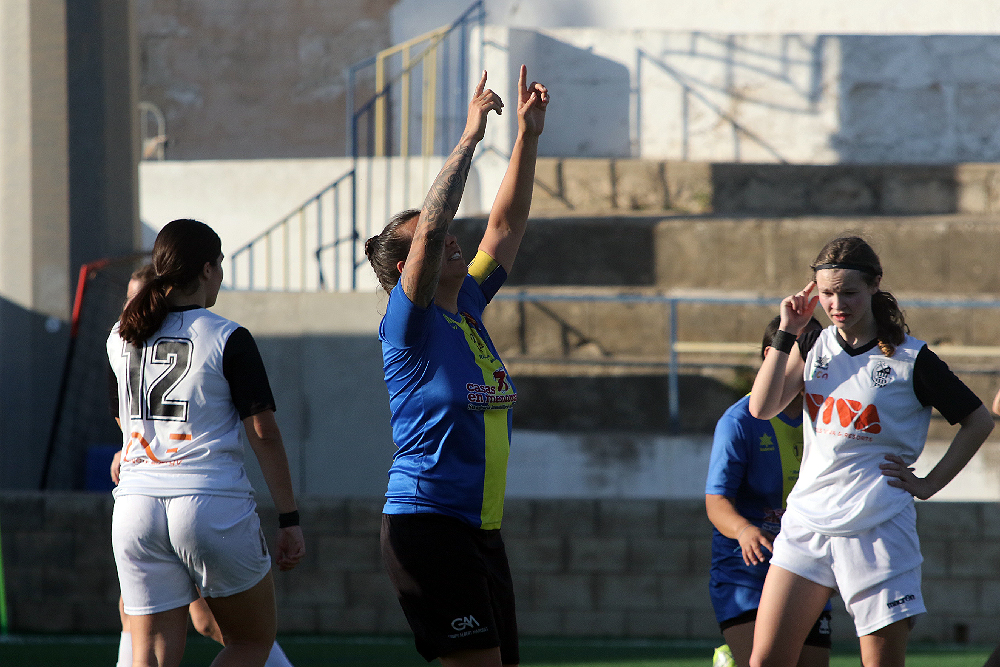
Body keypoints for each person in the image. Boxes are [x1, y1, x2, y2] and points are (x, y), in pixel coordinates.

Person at [364, 65, 547, 667]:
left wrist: (526, 135)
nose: (449, 241)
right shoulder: (407, 323)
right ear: (408, 267)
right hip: (427, 524)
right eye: (432, 242)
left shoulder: (465, 303)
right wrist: (469, 138)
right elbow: (434, 225)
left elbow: (506, 225)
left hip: (479, 531)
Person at [746, 236, 993, 667]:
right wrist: (788, 331)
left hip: (877, 528)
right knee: (765, 661)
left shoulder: (910, 359)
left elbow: (979, 420)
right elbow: (762, 407)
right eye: (826, 293)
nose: (836, 303)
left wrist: (929, 484)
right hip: (807, 523)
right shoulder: (812, 344)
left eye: (848, 292)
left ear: (875, 285)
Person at [107, 219, 305, 667]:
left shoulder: (121, 336)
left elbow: (123, 414)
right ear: (208, 269)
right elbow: (263, 433)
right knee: (250, 642)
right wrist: (289, 517)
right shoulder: (227, 336)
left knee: (151, 655)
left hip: (135, 506)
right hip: (209, 504)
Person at [706, 316, 831, 667]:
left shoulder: (828, 417)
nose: (818, 361)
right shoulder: (740, 421)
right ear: (771, 356)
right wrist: (744, 530)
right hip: (747, 571)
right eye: (806, 352)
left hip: (806, 566)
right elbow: (716, 501)